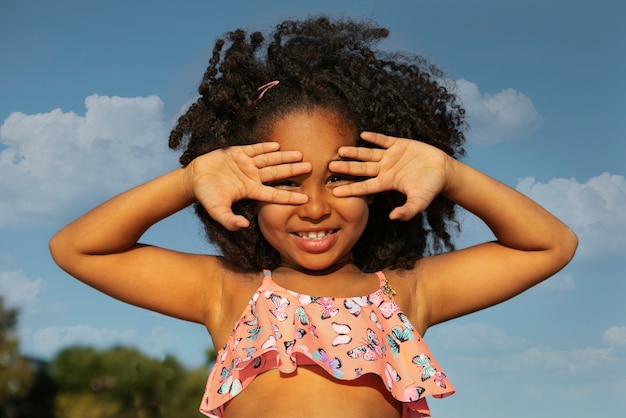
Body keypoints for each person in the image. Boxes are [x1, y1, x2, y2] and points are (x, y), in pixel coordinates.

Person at [49, 16, 578, 418]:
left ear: (381, 185)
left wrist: (449, 173)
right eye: (284, 183)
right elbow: (77, 248)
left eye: (340, 178)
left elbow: (549, 244)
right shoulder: (225, 292)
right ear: (246, 191)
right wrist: (189, 180)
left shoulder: (405, 293)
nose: (316, 207)